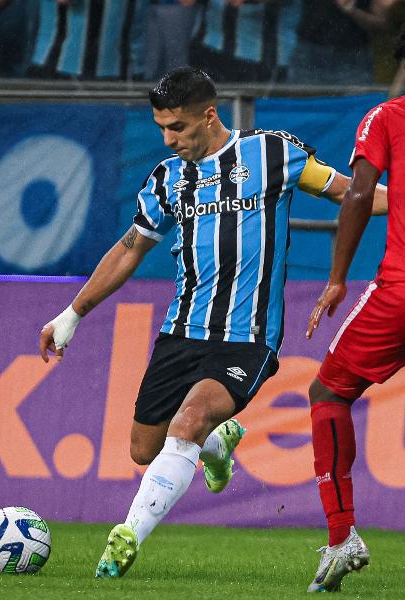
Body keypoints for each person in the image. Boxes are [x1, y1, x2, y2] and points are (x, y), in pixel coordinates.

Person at [39, 67, 388, 579]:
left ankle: (125, 539)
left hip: (248, 338)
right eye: (160, 127)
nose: (167, 139)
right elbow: (130, 249)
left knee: (190, 418)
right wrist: (73, 313)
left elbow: (346, 192)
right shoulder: (166, 178)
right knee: (143, 450)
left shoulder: (271, 153)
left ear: (209, 114)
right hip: (182, 331)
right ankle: (216, 445)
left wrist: (400, 201)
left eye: (176, 127)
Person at [305, 28, 405, 594]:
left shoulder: (385, 117)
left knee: (329, 392)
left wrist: (338, 278)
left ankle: (342, 537)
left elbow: (359, 193)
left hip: (399, 292)